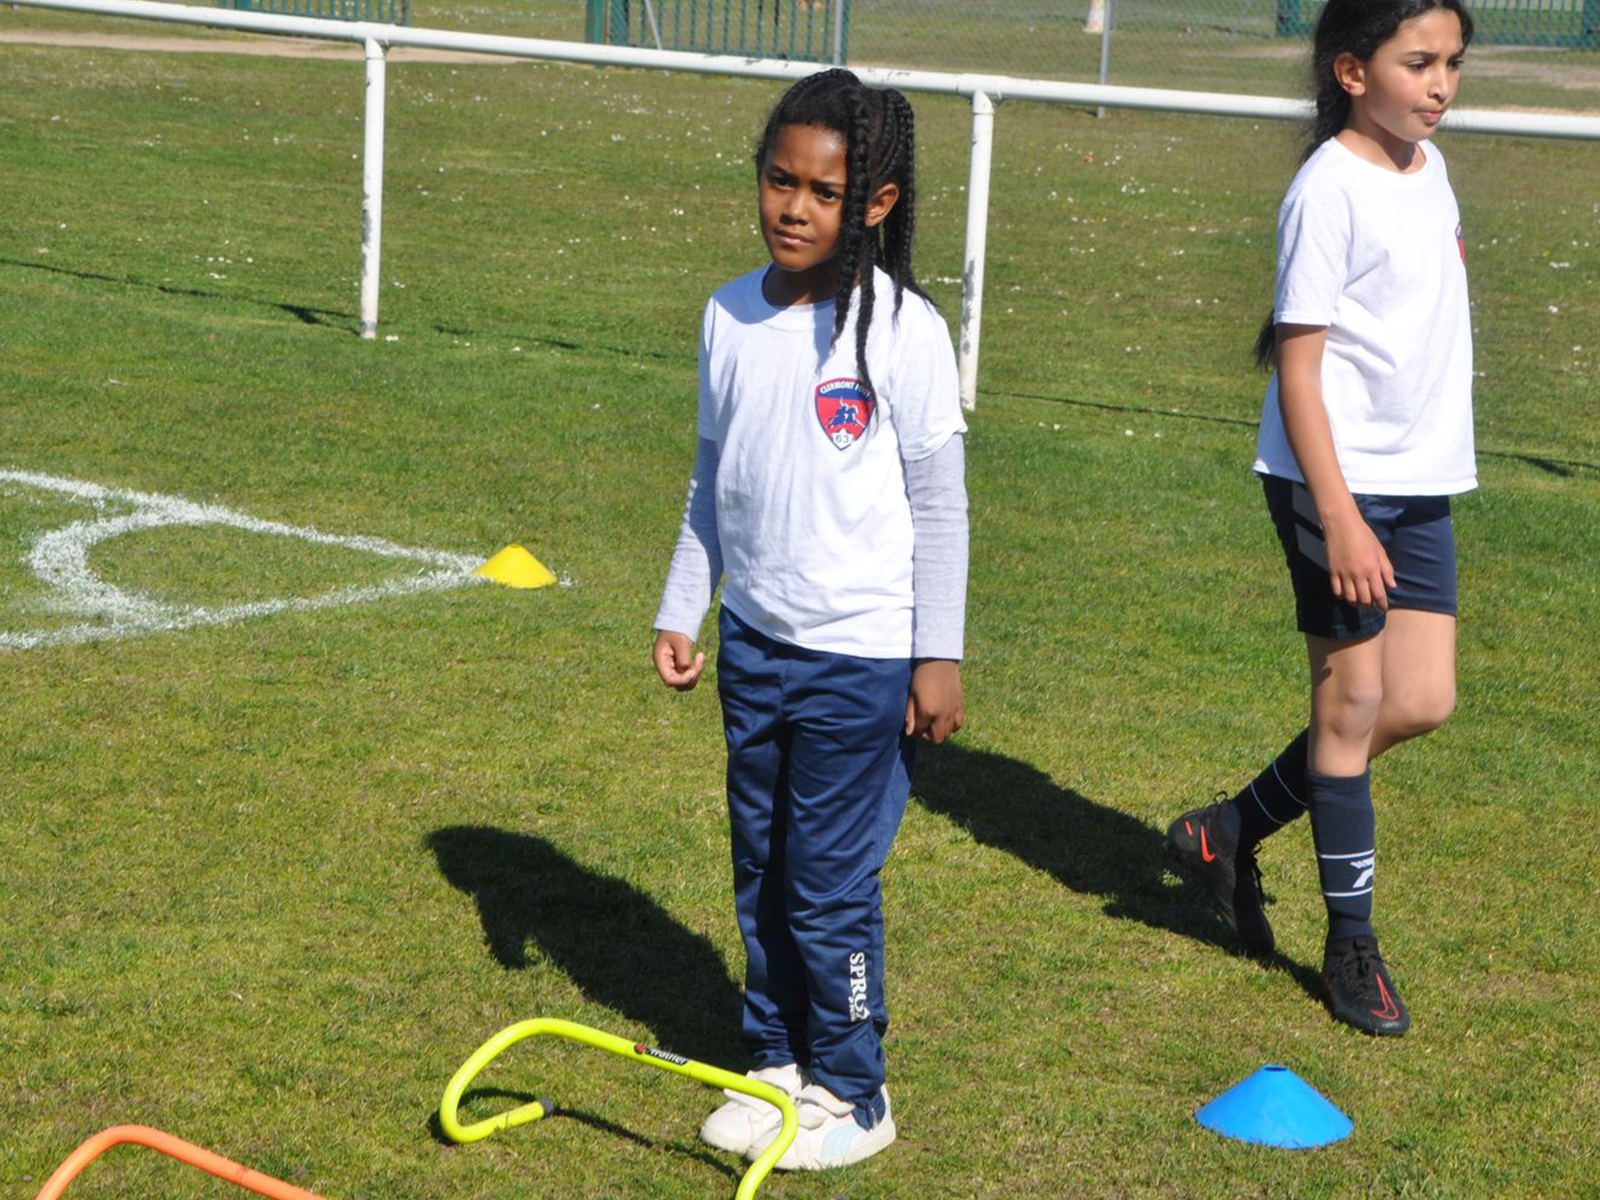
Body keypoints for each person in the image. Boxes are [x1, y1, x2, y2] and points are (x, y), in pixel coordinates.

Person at [652, 69, 969, 1168]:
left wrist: (939, 655)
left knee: (828, 880)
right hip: (755, 646)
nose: (793, 207)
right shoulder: (728, 313)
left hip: (863, 657)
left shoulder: (903, 332)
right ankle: (775, 1061)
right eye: (778, 181)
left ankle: (854, 1088)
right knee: (761, 861)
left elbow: (940, 502)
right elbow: (711, 480)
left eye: (822, 191)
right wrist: (684, 603)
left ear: (873, 203)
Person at [1166, 0, 1476, 1037]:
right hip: (1330, 482)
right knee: (1349, 704)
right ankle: (1352, 947)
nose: (1440, 84)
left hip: (1418, 482)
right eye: (1417, 62)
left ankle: (1227, 828)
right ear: (1351, 70)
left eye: (1452, 64)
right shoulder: (1326, 188)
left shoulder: (1428, 172)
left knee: (1419, 698)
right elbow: (1297, 368)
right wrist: (1337, 512)